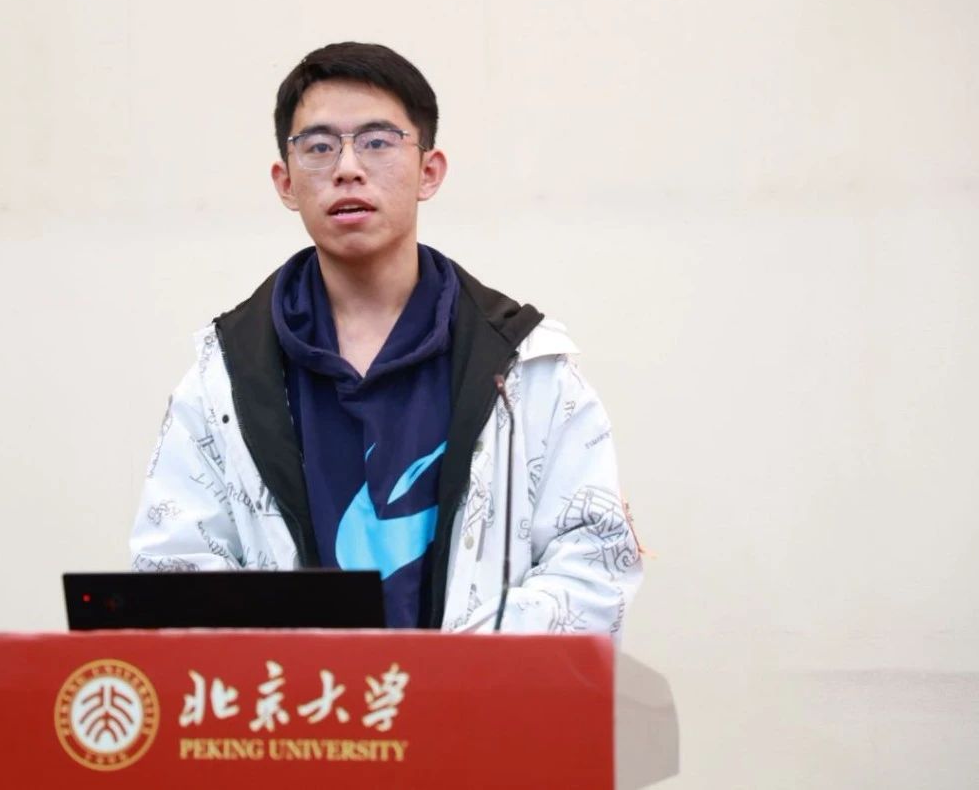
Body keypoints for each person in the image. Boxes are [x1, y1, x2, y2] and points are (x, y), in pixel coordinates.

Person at [130, 42, 642, 636]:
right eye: (319, 146)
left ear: (429, 171)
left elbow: (594, 562)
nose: (347, 167)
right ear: (286, 182)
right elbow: (174, 569)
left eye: (377, 141)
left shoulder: (526, 365)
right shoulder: (224, 376)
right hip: (302, 696)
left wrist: (452, 673)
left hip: (476, 695)